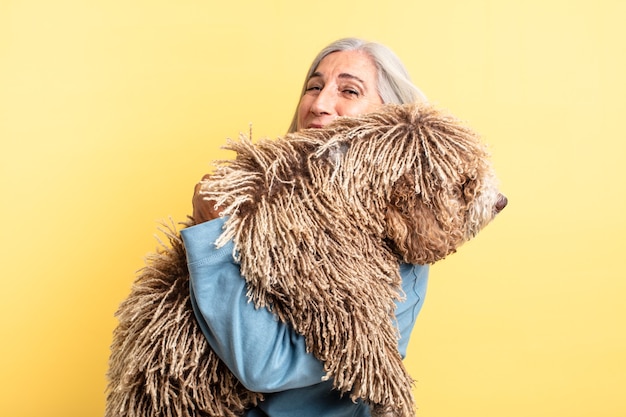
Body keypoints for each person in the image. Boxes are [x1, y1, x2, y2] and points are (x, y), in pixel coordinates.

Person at [181, 37, 429, 417]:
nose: (319, 104)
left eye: (349, 90)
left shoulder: (398, 240)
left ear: (390, 118)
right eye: (314, 86)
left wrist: (212, 237)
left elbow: (264, 365)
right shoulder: (261, 204)